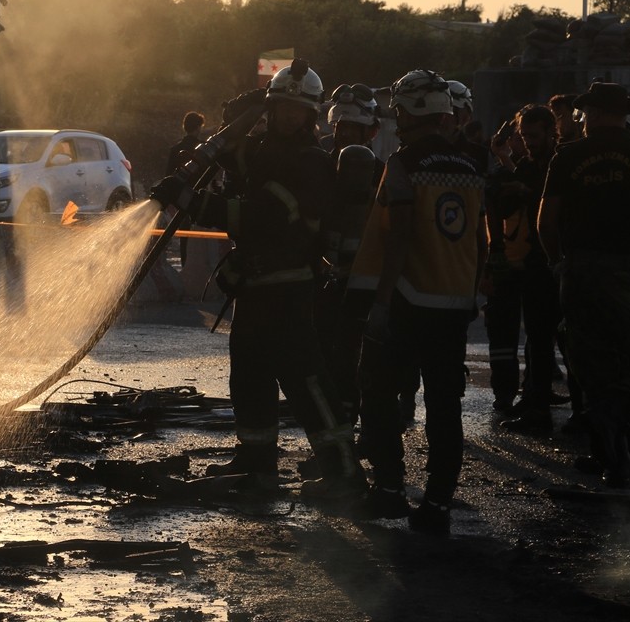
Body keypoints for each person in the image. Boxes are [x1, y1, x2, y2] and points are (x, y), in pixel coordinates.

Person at [151, 59, 363, 502]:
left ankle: (343, 471)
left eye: (297, 110)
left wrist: (190, 199)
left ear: (311, 116)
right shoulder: (266, 149)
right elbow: (238, 154)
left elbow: (259, 218)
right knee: (249, 374)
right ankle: (257, 463)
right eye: (281, 107)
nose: (288, 116)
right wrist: (234, 122)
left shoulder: (311, 162)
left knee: (305, 381)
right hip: (252, 285)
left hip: (289, 287)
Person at [350, 69, 485, 535]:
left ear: (411, 111)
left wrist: (382, 302)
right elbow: (479, 241)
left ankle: (389, 491)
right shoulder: (470, 168)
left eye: (401, 110)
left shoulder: (404, 163)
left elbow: (400, 236)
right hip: (452, 306)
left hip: (407, 302)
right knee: (445, 406)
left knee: (381, 394)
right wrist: (472, 293)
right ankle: (438, 505)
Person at [537, 81, 630, 488]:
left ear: (594, 114)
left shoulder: (568, 157)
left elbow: (546, 222)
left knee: (590, 363)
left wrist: (557, 263)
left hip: (583, 271)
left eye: (584, 112)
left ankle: (610, 458)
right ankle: (623, 442)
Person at [486, 105, 563, 434]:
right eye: (524, 136)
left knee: (561, 339)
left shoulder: (562, 163)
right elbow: (507, 201)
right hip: (539, 263)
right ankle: (537, 403)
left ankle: (546, 406)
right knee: (539, 338)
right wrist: (506, 164)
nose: (528, 142)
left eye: (534, 136)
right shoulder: (530, 167)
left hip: (556, 262)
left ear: (550, 131)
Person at [316, 83, 383, 427]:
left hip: (365, 283)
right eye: (341, 127)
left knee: (358, 357)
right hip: (323, 277)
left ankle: (364, 427)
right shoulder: (320, 167)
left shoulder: (385, 172)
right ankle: (333, 431)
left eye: (353, 129)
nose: (345, 136)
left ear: (371, 131)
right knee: (324, 355)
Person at [166, 112, 207, 266]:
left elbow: (168, 176)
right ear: (198, 128)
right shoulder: (203, 149)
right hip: (200, 197)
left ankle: (185, 265)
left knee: (184, 234)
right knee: (200, 238)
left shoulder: (176, 149)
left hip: (180, 198)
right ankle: (198, 267)